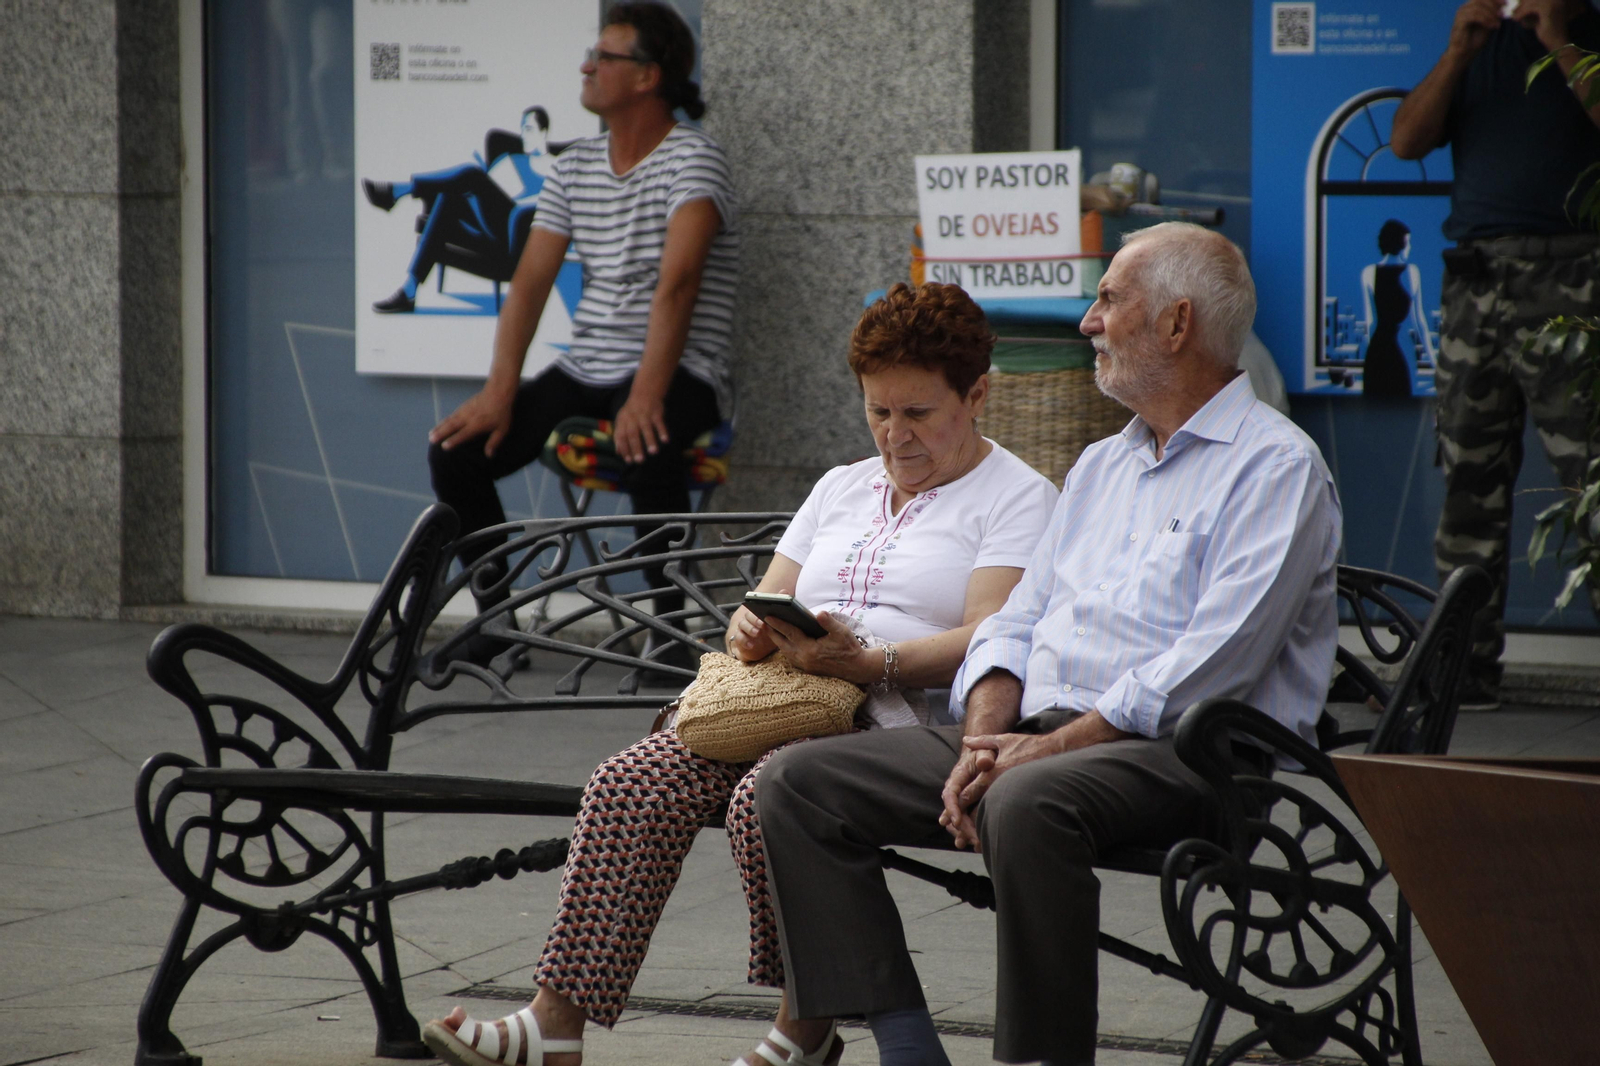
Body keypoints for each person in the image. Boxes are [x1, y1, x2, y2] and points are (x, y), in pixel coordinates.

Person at [419, 282, 1060, 1066]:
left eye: (919, 414)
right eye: (878, 412)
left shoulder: (1019, 497)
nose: (895, 437)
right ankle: (554, 1021)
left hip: (895, 729)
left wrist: (873, 661)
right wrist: (754, 628)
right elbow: (762, 601)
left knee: (770, 793)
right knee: (632, 781)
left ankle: (806, 1025)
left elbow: (991, 635)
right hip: (782, 699)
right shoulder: (839, 487)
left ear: (979, 394)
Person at [754, 223, 1342, 1066]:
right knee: (797, 783)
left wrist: (1043, 749)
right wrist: (992, 731)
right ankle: (908, 1047)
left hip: (1192, 754)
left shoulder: (1276, 467)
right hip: (1044, 734)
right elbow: (1016, 622)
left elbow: (1216, 665)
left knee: (1025, 801)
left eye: (1109, 300)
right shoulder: (1103, 464)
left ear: (1177, 325)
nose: (1087, 322)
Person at [427, 2, 738, 589]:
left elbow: (679, 284)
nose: (586, 66)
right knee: (458, 453)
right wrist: (499, 392)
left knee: (646, 441)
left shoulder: (694, 158)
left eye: (603, 56)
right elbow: (529, 284)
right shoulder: (575, 166)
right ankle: (495, 618)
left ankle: (670, 639)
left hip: (684, 369)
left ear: (647, 76)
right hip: (588, 365)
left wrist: (645, 395)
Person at [1391, 0, 1600, 708]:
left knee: (1591, 480)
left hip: (1571, 280)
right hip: (1475, 283)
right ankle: (1462, 670)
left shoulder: (1585, 31)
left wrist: (1561, 42)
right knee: (1467, 482)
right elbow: (1405, 142)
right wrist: (1456, 52)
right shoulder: (1475, 48)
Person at [364, 106, 558, 313]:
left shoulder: (557, 166)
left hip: (520, 234)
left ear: (543, 132)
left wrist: (518, 198)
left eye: (528, 129)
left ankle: (398, 191)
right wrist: (488, 185)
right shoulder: (513, 160)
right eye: (521, 129)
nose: (522, 135)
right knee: (451, 195)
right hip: (496, 226)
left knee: (470, 174)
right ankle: (408, 291)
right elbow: (493, 187)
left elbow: (555, 204)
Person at [1359, 219, 1436, 397]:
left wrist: (1372, 357)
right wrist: (1433, 361)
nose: (1409, 247)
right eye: (1408, 242)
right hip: (1402, 349)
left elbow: (1371, 323)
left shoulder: (1369, 273)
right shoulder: (1412, 272)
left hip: (1377, 350)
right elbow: (1420, 323)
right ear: (1400, 243)